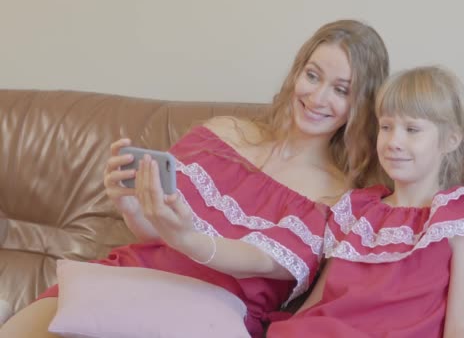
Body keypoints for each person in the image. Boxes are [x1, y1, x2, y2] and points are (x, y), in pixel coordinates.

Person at [0, 19, 389, 338]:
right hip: (125, 281)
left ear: (361, 106)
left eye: (341, 90)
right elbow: (153, 236)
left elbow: (263, 263)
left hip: (205, 318)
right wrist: (131, 205)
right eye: (313, 75)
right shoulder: (223, 133)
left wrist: (190, 239)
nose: (318, 97)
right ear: (297, 73)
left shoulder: (338, 197)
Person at [267, 66, 464, 337]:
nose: (393, 142)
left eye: (412, 129)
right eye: (386, 127)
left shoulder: (461, 216)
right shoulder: (357, 210)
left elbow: (460, 327)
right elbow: (316, 305)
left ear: (450, 140)